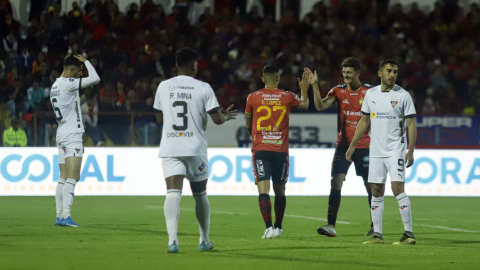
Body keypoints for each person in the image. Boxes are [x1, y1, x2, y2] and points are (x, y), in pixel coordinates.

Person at [153, 48, 237, 253]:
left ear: (176, 66)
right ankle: (204, 240)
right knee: (200, 194)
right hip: (195, 147)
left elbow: (158, 118)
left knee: (173, 193)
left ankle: (172, 241)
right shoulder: (203, 87)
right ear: (193, 65)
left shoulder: (163, 86)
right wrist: (224, 116)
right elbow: (217, 120)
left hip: (171, 146)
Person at [346, 59, 417, 245]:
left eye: (395, 71)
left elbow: (411, 124)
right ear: (380, 74)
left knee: (397, 188)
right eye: (389, 71)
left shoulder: (403, 95)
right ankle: (377, 235)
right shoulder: (371, 94)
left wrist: (410, 150)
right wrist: (352, 144)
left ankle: (408, 234)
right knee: (376, 190)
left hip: (396, 150)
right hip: (376, 151)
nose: (392, 75)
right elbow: (364, 121)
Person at [306, 58, 374, 237]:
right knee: (335, 182)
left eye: (349, 72)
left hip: (365, 146)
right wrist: (314, 86)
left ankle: (376, 225)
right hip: (342, 146)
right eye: (344, 72)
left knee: (370, 186)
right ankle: (331, 225)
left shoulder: (369, 92)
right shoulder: (338, 91)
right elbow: (320, 106)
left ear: (358, 73)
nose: (346, 75)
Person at [245, 65, 310, 239]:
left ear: (262, 78)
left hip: (261, 150)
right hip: (280, 151)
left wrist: (257, 136)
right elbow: (305, 105)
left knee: (263, 190)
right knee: (280, 191)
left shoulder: (253, 97)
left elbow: (248, 122)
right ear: (278, 78)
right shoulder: (287, 96)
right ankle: (278, 227)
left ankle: (268, 228)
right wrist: (304, 90)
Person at [51, 54, 100, 227]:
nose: (80, 75)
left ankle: (58, 215)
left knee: (63, 176)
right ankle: (66, 215)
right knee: (74, 176)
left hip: (61, 134)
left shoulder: (55, 85)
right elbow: (95, 78)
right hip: (72, 136)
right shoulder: (68, 84)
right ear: (71, 70)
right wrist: (86, 61)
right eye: (79, 72)